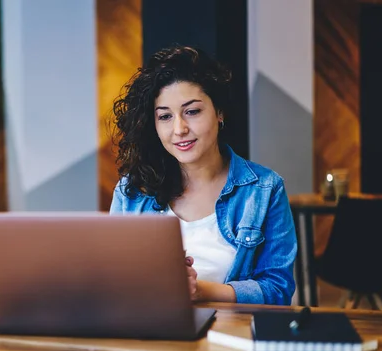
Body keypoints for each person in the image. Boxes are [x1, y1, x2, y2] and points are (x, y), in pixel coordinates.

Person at [109, 45, 297, 305]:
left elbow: (278, 289)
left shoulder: (265, 189)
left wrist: (199, 291)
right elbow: (113, 281)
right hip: (149, 334)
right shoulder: (132, 191)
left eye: (192, 111)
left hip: (231, 336)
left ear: (219, 113)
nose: (179, 129)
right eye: (164, 116)